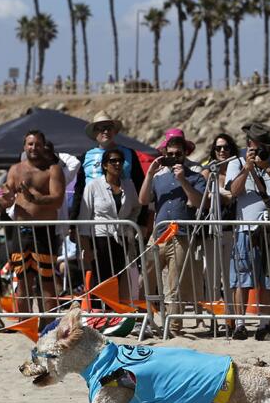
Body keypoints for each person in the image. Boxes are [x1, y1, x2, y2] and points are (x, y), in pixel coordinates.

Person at [226, 124, 270, 340]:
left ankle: (265, 323)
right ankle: (240, 324)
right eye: (257, 145)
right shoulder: (236, 163)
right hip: (245, 228)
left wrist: (267, 167)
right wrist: (247, 168)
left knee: (269, 278)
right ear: (249, 145)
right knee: (242, 279)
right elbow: (234, 192)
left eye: (265, 145)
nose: (262, 148)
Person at [141, 132, 205, 335]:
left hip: (181, 234)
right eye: (170, 154)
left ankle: (174, 327)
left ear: (185, 154)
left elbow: (199, 203)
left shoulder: (195, 175)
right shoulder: (158, 176)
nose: (174, 157)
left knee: (175, 284)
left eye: (178, 154)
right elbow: (143, 200)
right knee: (146, 278)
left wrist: (183, 181)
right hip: (159, 234)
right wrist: (150, 173)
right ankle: (151, 319)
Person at [0, 130, 66, 312]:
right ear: (24, 146)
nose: (33, 148)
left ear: (43, 146)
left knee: (47, 282)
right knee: (21, 282)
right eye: (30, 144)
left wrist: (34, 199)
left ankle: (48, 326)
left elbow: (58, 199)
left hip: (44, 231)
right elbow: (5, 194)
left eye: (37, 144)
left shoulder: (53, 169)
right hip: (20, 231)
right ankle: (25, 325)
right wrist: (3, 196)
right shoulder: (15, 169)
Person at [78, 146, 141, 300]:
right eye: (113, 161)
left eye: (120, 161)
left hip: (122, 238)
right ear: (105, 165)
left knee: (120, 277)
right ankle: (100, 315)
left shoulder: (129, 185)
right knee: (102, 279)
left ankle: (116, 314)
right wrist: (86, 248)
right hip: (100, 238)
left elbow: (136, 208)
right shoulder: (93, 186)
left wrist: (130, 225)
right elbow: (84, 218)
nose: (117, 164)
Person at [199, 132, 240, 335]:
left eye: (226, 148)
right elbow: (202, 197)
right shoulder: (208, 172)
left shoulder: (235, 170)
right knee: (213, 280)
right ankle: (213, 319)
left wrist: (222, 194)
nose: (222, 151)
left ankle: (230, 319)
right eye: (218, 148)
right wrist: (223, 194)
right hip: (212, 231)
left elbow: (233, 196)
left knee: (231, 279)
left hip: (231, 230)